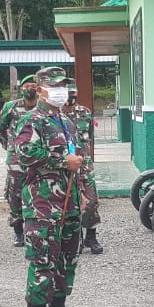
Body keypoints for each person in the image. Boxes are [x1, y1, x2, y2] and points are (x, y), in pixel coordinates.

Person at [11, 66, 87, 307]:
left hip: (70, 202)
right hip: (43, 203)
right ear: (40, 89)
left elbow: (80, 160)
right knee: (43, 260)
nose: (60, 91)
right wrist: (60, 162)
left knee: (67, 259)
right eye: (54, 86)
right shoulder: (33, 120)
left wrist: (86, 194)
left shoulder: (66, 121)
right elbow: (25, 153)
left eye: (63, 85)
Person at [0, 75, 39, 247]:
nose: (31, 88)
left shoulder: (43, 107)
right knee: (15, 195)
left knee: (38, 194)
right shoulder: (11, 107)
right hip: (16, 160)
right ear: (22, 88)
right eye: (28, 85)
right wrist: (10, 146)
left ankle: (35, 230)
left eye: (34, 85)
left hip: (37, 159)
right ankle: (18, 233)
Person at [63, 78, 103, 254]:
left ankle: (91, 237)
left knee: (91, 201)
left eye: (73, 93)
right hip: (65, 164)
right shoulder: (57, 116)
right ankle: (75, 238)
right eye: (67, 93)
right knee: (70, 202)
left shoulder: (85, 113)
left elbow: (90, 138)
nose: (70, 97)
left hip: (85, 164)